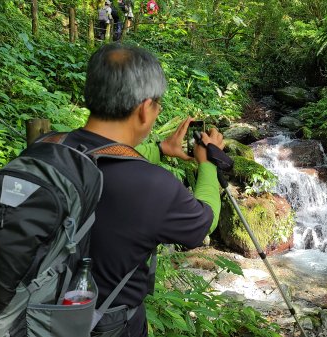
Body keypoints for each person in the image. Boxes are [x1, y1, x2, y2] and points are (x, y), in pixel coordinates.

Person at [64, 44, 223, 336]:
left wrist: (161, 149)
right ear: (144, 108)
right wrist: (209, 163)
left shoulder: (49, 146)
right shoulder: (154, 186)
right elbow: (205, 222)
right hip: (108, 326)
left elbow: (102, 153)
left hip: (35, 316)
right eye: (158, 105)